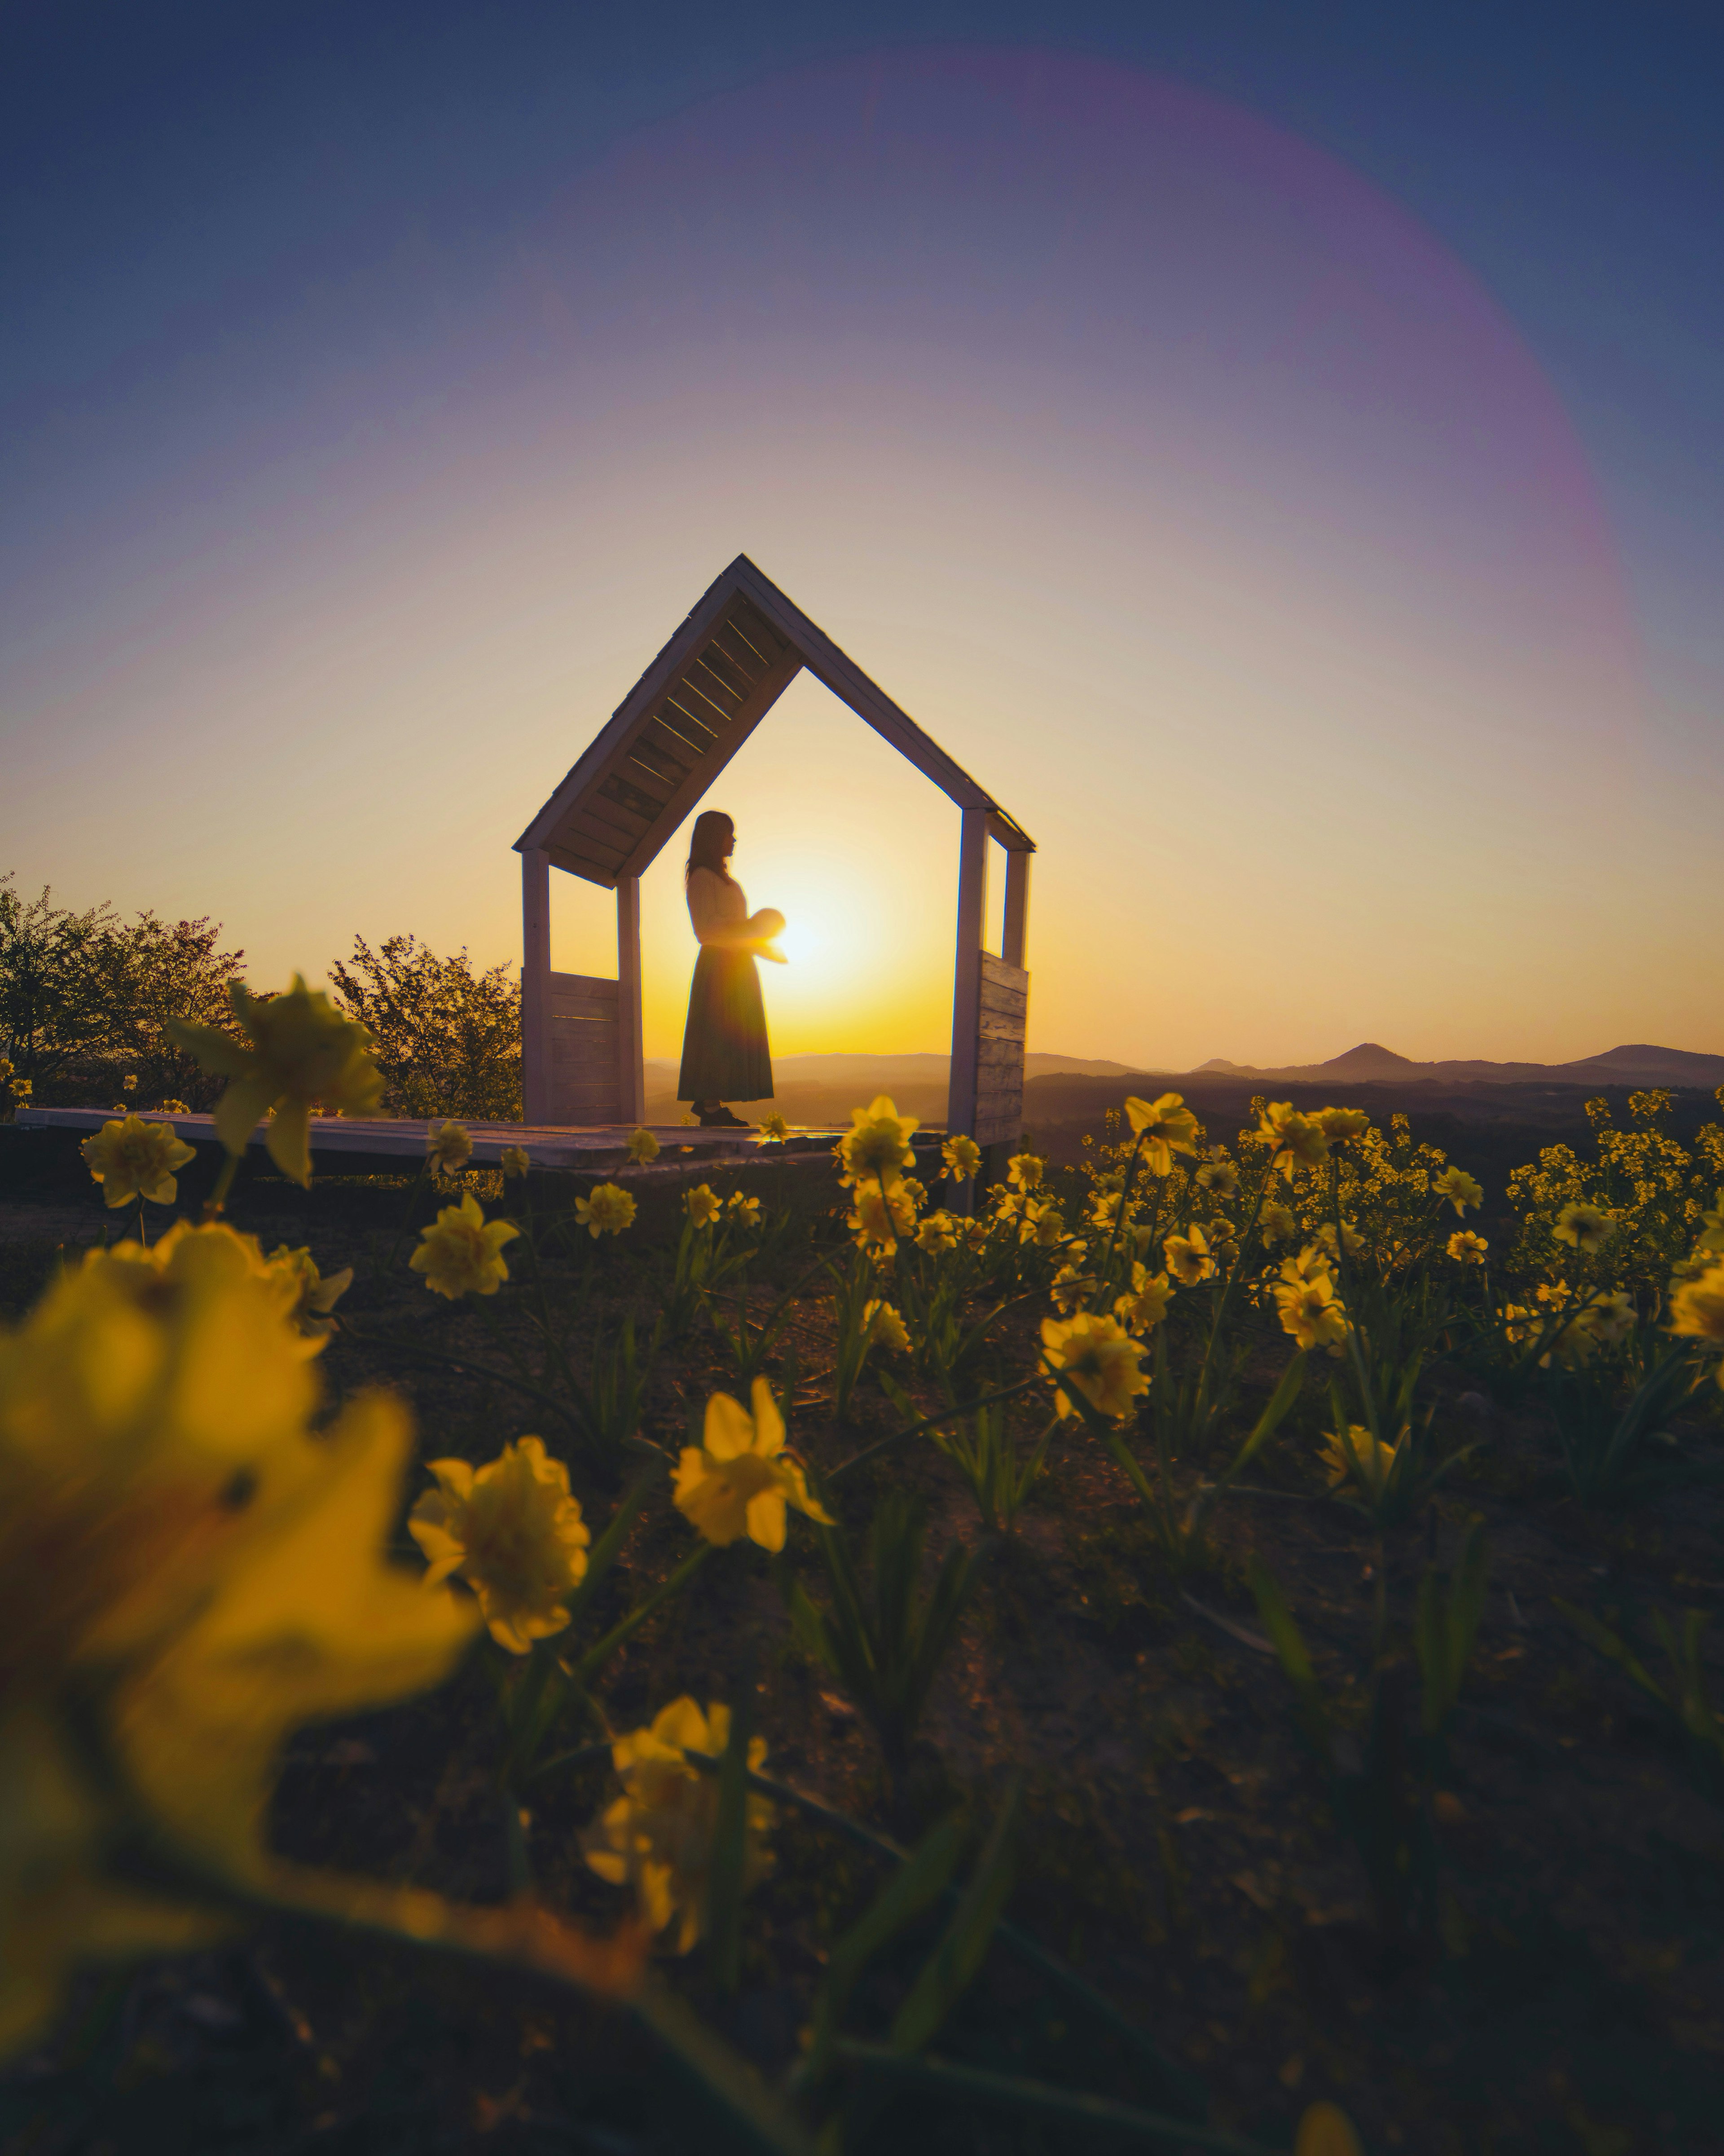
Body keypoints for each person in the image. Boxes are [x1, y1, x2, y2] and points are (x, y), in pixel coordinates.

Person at [676, 810, 786, 1128]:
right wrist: (749, 928)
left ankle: (713, 1104)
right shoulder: (701, 878)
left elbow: (740, 930)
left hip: (738, 965)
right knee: (716, 1033)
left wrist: (762, 946)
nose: (734, 839)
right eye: (729, 833)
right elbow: (706, 929)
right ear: (714, 838)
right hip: (719, 966)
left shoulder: (729, 882)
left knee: (732, 1034)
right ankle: (710, 1107)